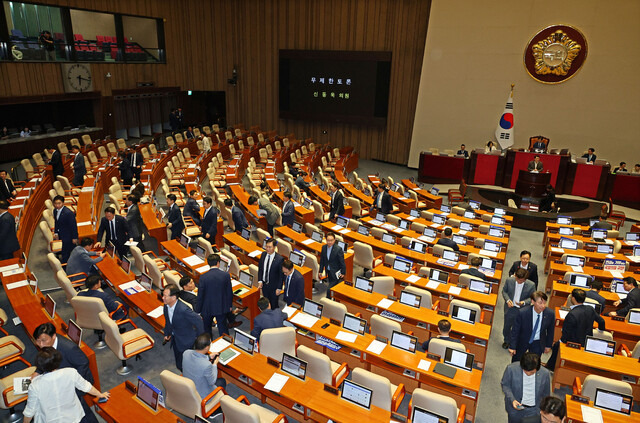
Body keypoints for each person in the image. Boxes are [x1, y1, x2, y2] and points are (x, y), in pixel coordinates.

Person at [32, 323, 99, 423]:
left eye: (43, 341)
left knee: (81, 409)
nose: (40, 344)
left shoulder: (69, 348)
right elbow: (47, 359)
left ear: (53, 336)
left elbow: (84, 362)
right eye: (38, 341)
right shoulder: (47, 345)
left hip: (75, 381)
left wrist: (73, 382)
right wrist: (38, 371)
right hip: (61, 378)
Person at [23, 348, 108, 423]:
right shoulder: (70, 372)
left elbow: (29, 411)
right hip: (73, 417)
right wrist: (100, 395)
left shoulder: (35, 385)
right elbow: (86, 387)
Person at [546, 288, 606, 370]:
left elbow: (566, 334)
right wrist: (599, 331)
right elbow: (602, 321)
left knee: (556, 346)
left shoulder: (572, 314)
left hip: (574, 342)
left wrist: (560, 342)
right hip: (587, 342)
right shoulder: (590, 309)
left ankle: (551, 367)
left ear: (573, 298)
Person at [163, 283, 204, 371]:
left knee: (187, 363)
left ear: (173, 297)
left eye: (165, 296)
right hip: (175, 337)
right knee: (179, 361)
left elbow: (199, 321)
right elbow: (168, 321)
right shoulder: (166, 306)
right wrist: (167, 333)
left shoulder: (183, 309)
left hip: (186, 340)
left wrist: (198, 338)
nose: (163, 298)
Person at [501, 352, 551, 423]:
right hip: (515, 408)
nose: (528, 374)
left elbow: (546, 393)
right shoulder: (511, 369)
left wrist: (544, 409)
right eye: (525, 371)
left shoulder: (545, 374)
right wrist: (512, 399)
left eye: (531, 372)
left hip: (534, 410)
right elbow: (505, 385)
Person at [509, 291, 555, 362]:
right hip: (523, 340)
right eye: (540, 303)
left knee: (533, 363)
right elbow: (515, 330)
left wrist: (548, 345)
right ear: (533, 302)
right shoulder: (522, 313)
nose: (543, 306)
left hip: (538, 342)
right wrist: (512, 346)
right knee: (517, 361)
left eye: (544, 303)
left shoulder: (550, 314)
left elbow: (550, 331)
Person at [196, 254, 233, 336]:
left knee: (207, 329)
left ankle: (209, 345)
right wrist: (229, 305)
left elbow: (200, 295)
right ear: (218, 263)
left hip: (207, 307)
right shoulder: (225, 275)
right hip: (221, 306)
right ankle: (225, 344)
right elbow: (229, 292)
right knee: (223, 328)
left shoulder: (203, 277)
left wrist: (198, 310)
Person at [182, 333, 227, 400]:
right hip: (202, 396)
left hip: (189, 387)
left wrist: (209, 357)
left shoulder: (186, 353)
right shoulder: (206, 365)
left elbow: (197, 359)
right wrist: (214, 364)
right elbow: (212, 381)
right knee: (222, 381)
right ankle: (217, 407)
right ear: (206, 348)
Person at [502, 268, 536, 349]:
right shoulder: (509, 280)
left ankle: (515, 342)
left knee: (518, 328)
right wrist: (508, 300)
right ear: (515, 276)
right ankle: (507, 340)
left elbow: (532, 298)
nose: (519, 282)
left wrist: (524, 302)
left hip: (522, 310)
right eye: (518, 279)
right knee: (507, 326)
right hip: (510, 308)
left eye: (522, 281)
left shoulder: (531, 285)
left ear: (525, 279)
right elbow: (504, 291)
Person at [258, 238, 284, 310]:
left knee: (273, 304)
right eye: (266, 247)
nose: (267, 249)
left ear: (274, 247)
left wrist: (279, 288)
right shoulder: (263, 255)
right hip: (264, 285)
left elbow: (281, 276)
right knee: (266, 304)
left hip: (274, 287)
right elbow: (260, 269)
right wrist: (260, 281)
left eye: (270, 247)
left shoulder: (279, 259)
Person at [319, 232, 346, 298]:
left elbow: (342, 262)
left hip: (335, 272)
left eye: (331, 240)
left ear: (334, 240)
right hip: (328, 271)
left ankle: (328, 300)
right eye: (328, 240)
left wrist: (343, 272)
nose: (330, 242)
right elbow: (322, 260)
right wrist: (321, 270)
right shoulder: (324, 248)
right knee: (331, 283)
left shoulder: (338, 249)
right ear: (326, 240)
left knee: (329, 289)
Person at [53, 194, 78, 263]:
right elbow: (56, 222)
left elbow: (73, 226)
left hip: (69, 236)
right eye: (55, 203)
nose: (57, 205)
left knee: (66, 252)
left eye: (59, 203)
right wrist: (56, 232)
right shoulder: (55, 211)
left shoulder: (68, 213)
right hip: (62, 234)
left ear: (63, 203)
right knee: (70, 250)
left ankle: (65, 265)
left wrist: (74, 237)